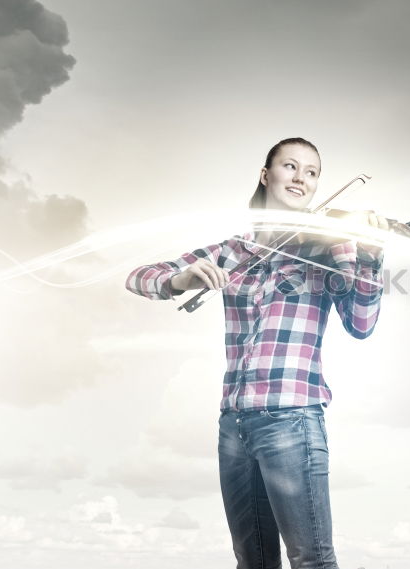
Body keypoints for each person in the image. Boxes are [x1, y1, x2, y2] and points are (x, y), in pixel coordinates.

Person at [124, 137, 388, 569]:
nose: (301, 178)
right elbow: (138, 277)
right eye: (290, 166)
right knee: (253, 561)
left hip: (292, 416)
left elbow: (361, 324)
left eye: (312, 172)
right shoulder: (232, 251)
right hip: (234, 423)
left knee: (311, 559)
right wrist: (182, 279)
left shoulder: (332, 247)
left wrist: (370, 259)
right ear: (267, 176)